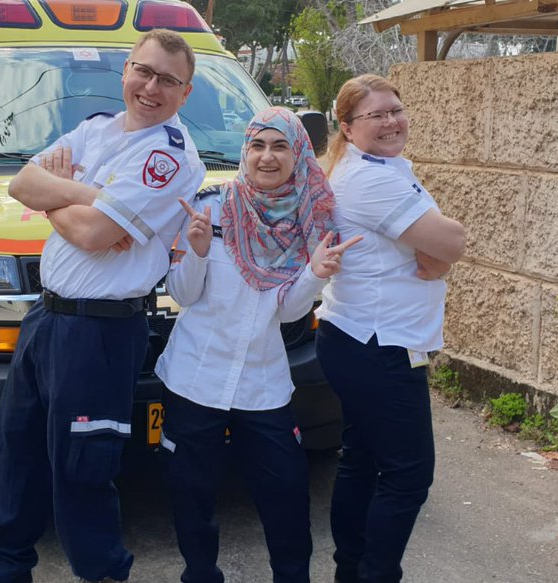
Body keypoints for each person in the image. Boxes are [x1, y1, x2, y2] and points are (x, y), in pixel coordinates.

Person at [0, 29, 206, 583]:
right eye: (143, 72)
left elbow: (95, 235)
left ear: (186, 92)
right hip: (46, 317)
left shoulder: (170, 157)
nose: (151, 88)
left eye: (168, 80)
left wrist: (62, 194)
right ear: (125, 71)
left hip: (100, 333)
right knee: (15, 453)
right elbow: (20, 184)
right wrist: (88, 198)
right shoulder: (96, 128)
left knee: (83, 467)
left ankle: (102, 573)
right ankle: (1, 571)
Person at [155, 107, 362, 583]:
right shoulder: (208, 207)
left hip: (262, 385)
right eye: (257, 146)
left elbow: (287, 312)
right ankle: (201, 574)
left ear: (298, 153)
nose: (267, 157)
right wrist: (199, 252)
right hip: (194, 378)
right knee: (192, 493)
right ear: (244, 151)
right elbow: (183, 294)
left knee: (286, 494)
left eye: (279, 146)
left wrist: (315, 272)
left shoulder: (308, 219)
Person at [315, 74, 467, 583]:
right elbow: (453, 239)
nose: (390, 121)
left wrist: (438, 255)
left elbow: (438, 250)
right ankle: (375, 574)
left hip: (358, 336)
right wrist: (442, 253)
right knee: (408, 475)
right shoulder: (371, 180)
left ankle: (352, 570)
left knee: (363, 459)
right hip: (380, 345)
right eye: (375, 115)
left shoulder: (380, 166)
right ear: (347, 127)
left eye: (395, 110)